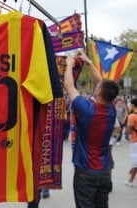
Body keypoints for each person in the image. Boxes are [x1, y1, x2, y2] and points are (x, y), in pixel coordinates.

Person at [64, 50, 119, 208]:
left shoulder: (88, 109)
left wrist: (68, 64)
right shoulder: (111, 109)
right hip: (104, 171)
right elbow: (102, 83)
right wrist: (88, 62)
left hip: (86, 172)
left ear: (99, 91)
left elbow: (68, 85)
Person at [124, 98, 137, 187]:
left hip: (135, 140)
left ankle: (130, 180)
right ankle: (131, 173)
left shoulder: (132, 116)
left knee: (135, 161)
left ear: (132, 105)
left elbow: (129, 130)